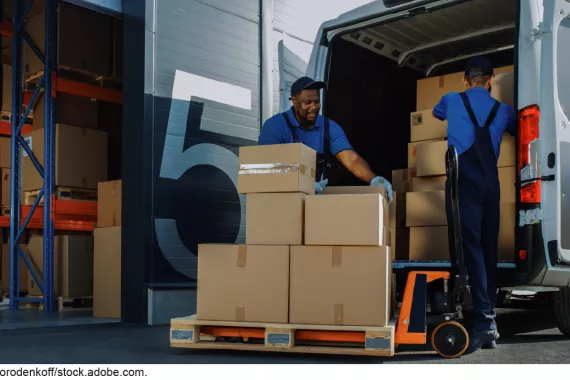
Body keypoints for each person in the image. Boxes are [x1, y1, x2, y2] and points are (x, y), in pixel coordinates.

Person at [433, 56, 516, 353]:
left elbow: (436, 113)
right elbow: (517, 128)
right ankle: (487, 315)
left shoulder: (451, 99)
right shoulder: (503, 111)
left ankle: (481, 321)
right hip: (490, 184)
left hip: (462, 183)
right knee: (487, 247)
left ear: (465, 80)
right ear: (491, 80)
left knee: (468, 248)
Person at [258, 76, 393, 201]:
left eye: (317, 102)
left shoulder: (329, 127)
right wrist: (303, 185)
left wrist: (374, 179)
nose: (314, 107)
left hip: (313, 200)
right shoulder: (274, 126)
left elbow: (351, 159)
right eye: (307, 102)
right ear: (294, 100)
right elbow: (268, 166)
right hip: (279, 199)